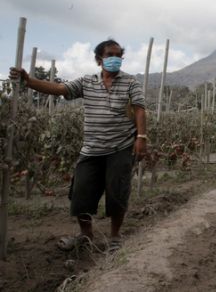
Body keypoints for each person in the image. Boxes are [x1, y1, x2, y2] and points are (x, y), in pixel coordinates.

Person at [9, 39, 146, 252]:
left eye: (119, 55)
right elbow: (59, 89)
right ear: (99, 59)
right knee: (80, 194)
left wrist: (141, 138)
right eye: (110, 54)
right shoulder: (86, 82)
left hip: (120, 147)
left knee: (117, 193)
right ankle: (86, 234)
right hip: (91, 148)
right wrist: (29, 81)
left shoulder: (130, 82)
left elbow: (139, 109)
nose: (115, 59)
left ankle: (115, 237)